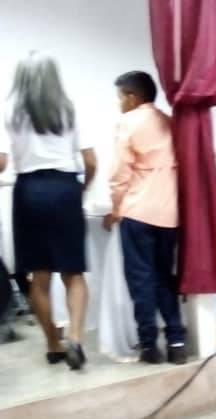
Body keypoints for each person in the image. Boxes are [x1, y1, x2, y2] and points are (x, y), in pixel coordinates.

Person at [0, 52, 96, 369]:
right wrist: (81, 189)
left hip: (28, 191)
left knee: (38, 276)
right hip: (65, 189)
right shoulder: (69, 109)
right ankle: (76, 339)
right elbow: (91, 161)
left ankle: (53, 345)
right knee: (73, 273)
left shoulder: (9, 111)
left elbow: (1, 162)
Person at [103, 71, 186, 364]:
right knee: (165, 277)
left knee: (141, 280)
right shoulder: (171, 122)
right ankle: (177, 341)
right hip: (170, 214)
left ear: (132, 97)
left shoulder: (128, 122)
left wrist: (115, 210)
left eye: (120, 98)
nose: (119, 104)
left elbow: (120, 174)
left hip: (137, 211)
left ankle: (149, 346)